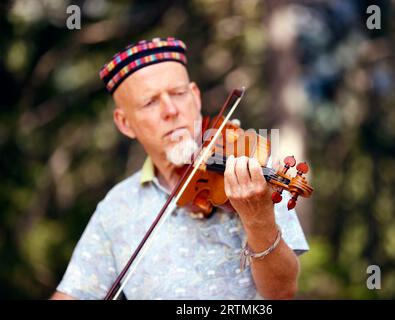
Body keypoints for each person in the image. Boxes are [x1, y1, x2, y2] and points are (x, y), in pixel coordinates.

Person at [51, 37, 309, 300]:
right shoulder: (116, 207)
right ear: (125, 123)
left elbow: (282, 292)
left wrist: (258, 219)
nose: (171, 110)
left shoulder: (250, 167)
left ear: (195, 97)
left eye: (178, 93)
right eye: (150, 102)